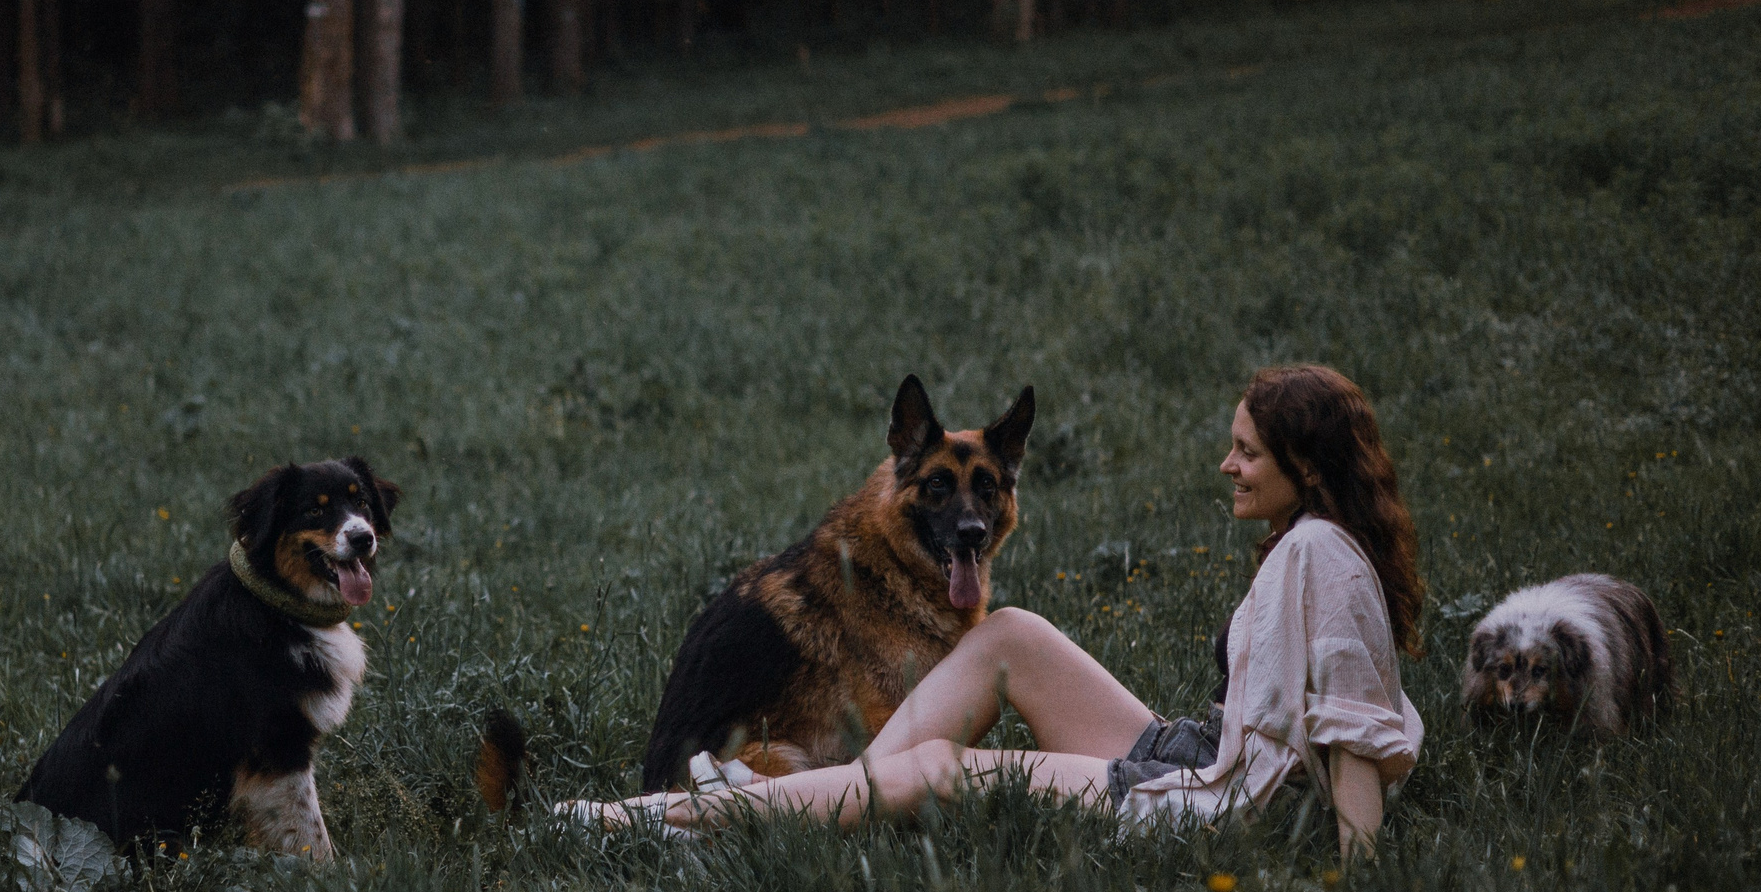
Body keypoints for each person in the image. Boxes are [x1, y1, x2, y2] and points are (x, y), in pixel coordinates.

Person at [568, 364, 1426, 859]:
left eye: (1246, 452)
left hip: (1219, 799)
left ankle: (650, 822)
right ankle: (817, 798)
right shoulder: (1311, 539)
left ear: (1303, 465)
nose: (1226, 465)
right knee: (1010, 634)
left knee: (947, 766)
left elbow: (1356, 729)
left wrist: (1357, 872)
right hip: (1205, 750)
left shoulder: (1318, 554)